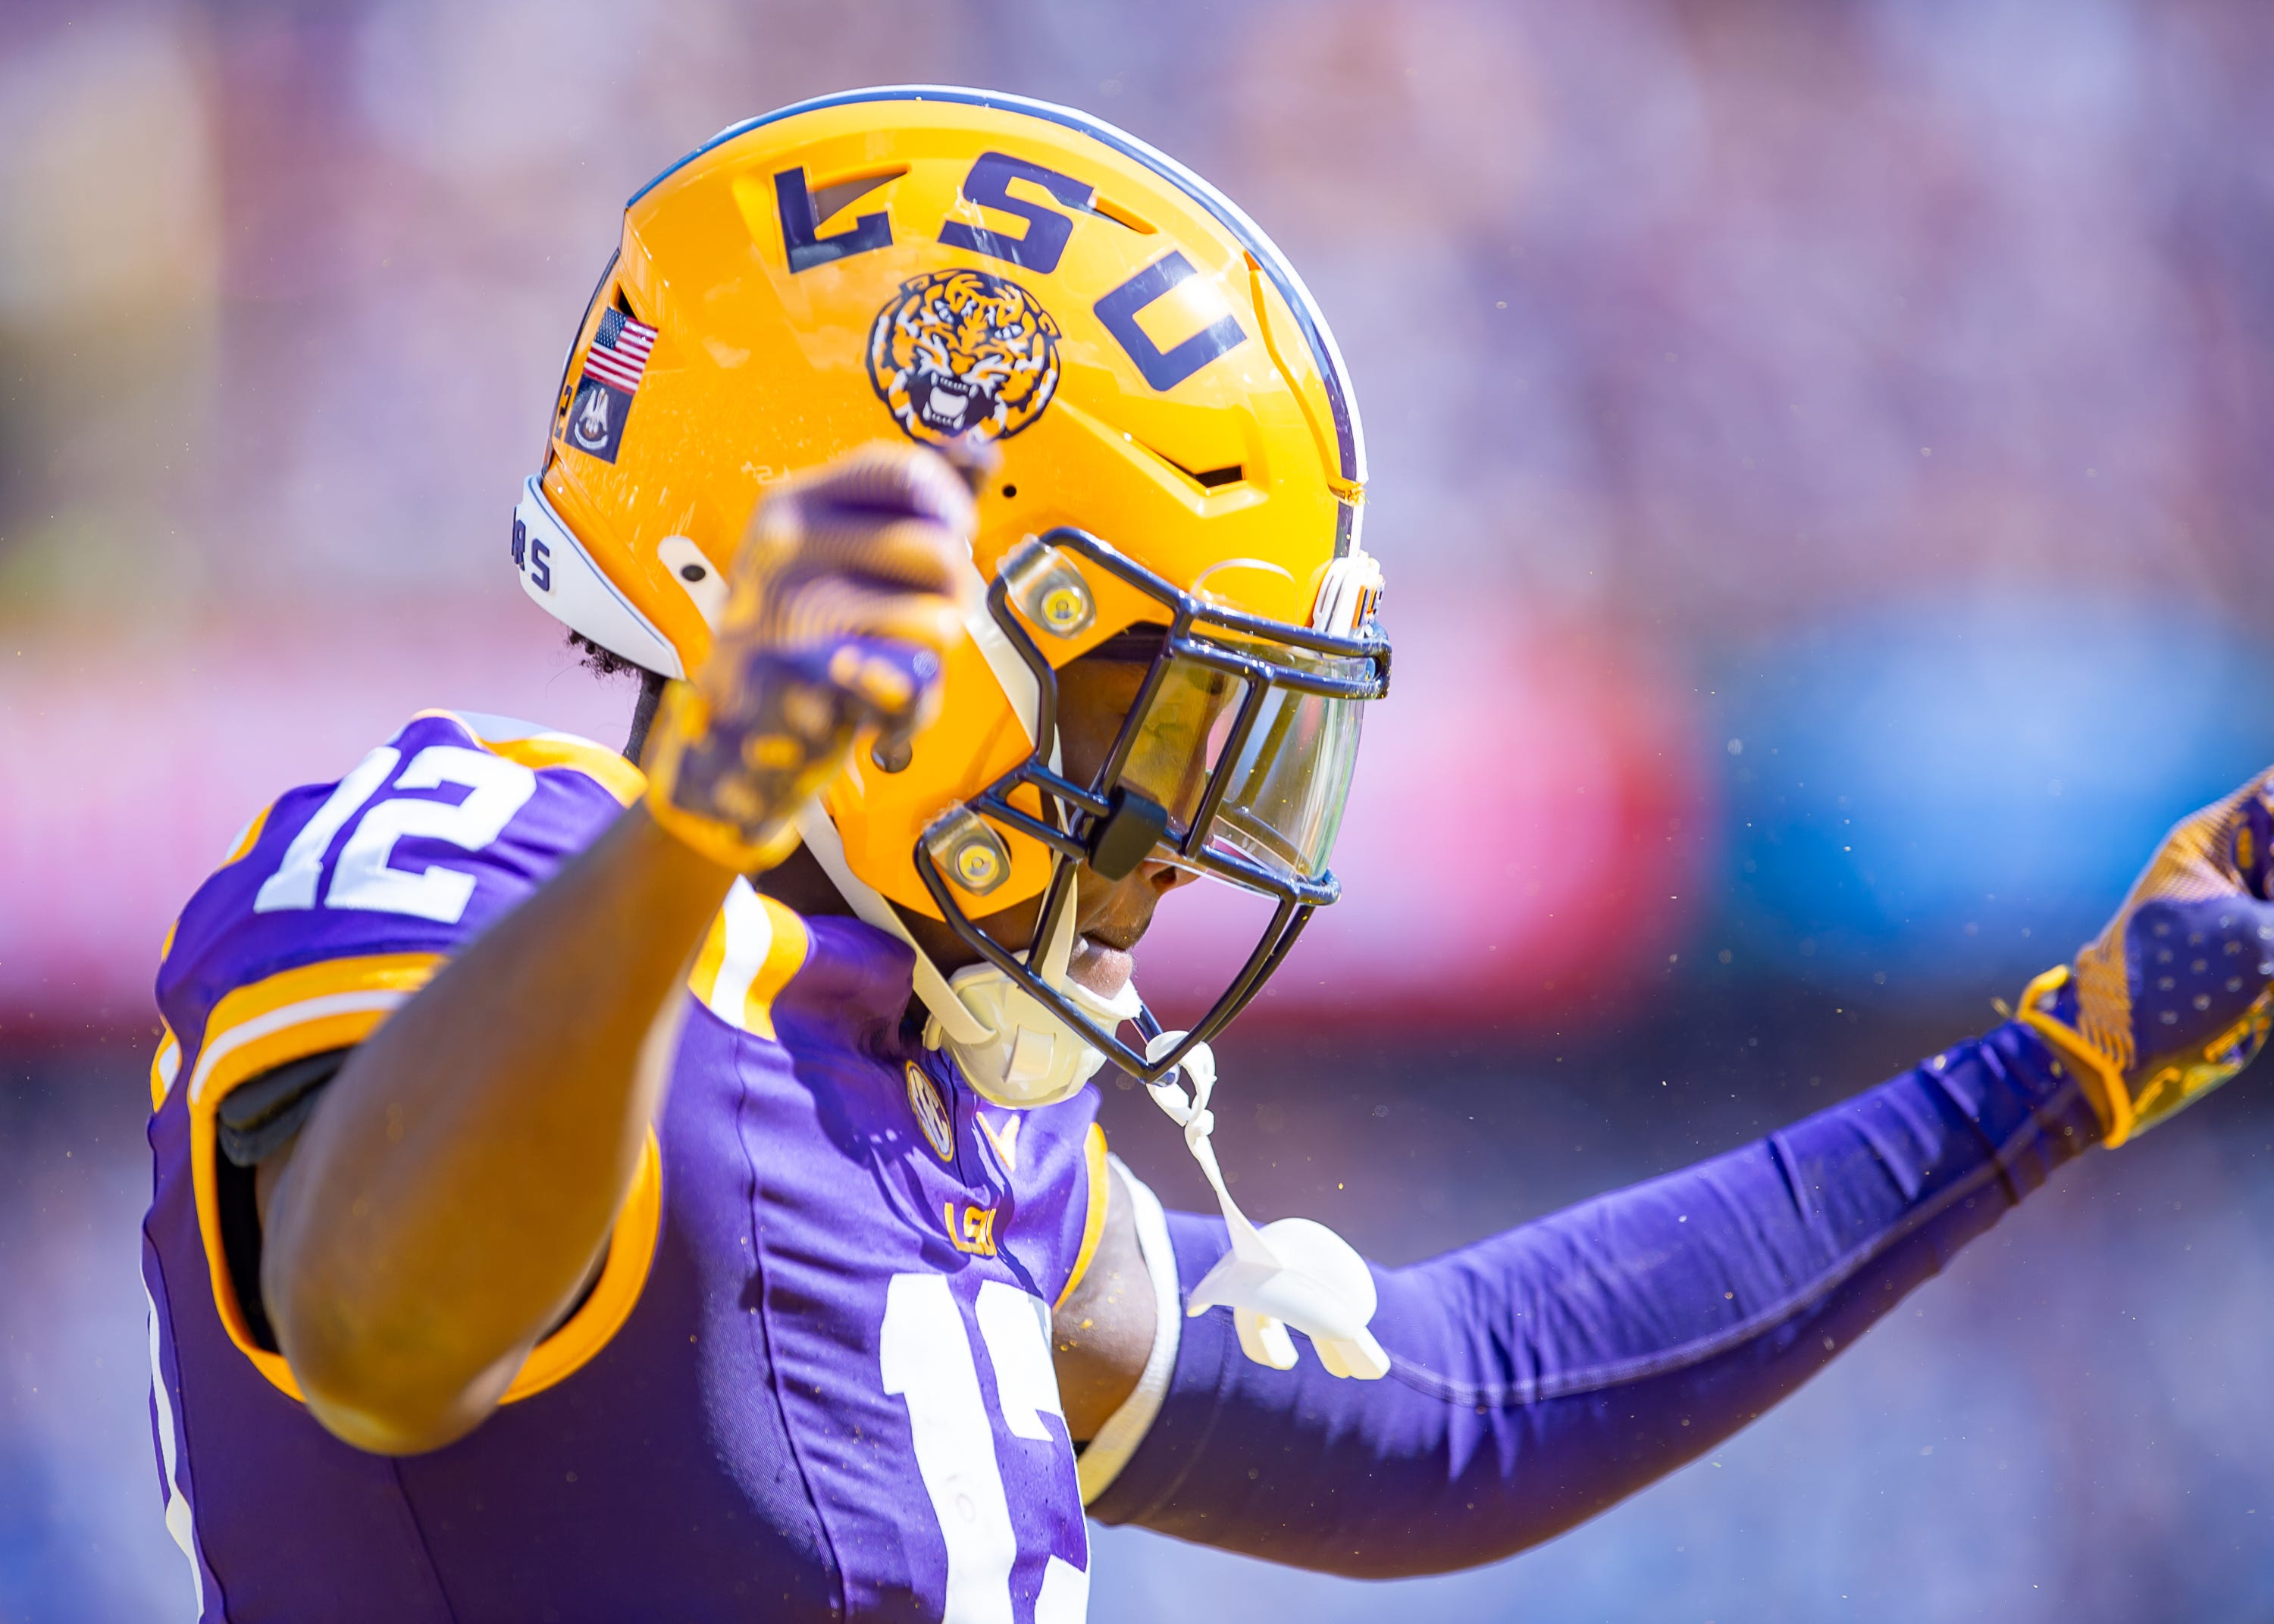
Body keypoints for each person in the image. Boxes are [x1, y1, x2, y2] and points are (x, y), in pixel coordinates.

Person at [141, 88, 2274, 1622]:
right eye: (1159, 713)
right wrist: (705, 810)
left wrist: (2053, 1069)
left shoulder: (909, 1075)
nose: (1183, 844)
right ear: (951, 647)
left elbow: (1451, 1416)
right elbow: (376, 1318)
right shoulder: (471, 876)